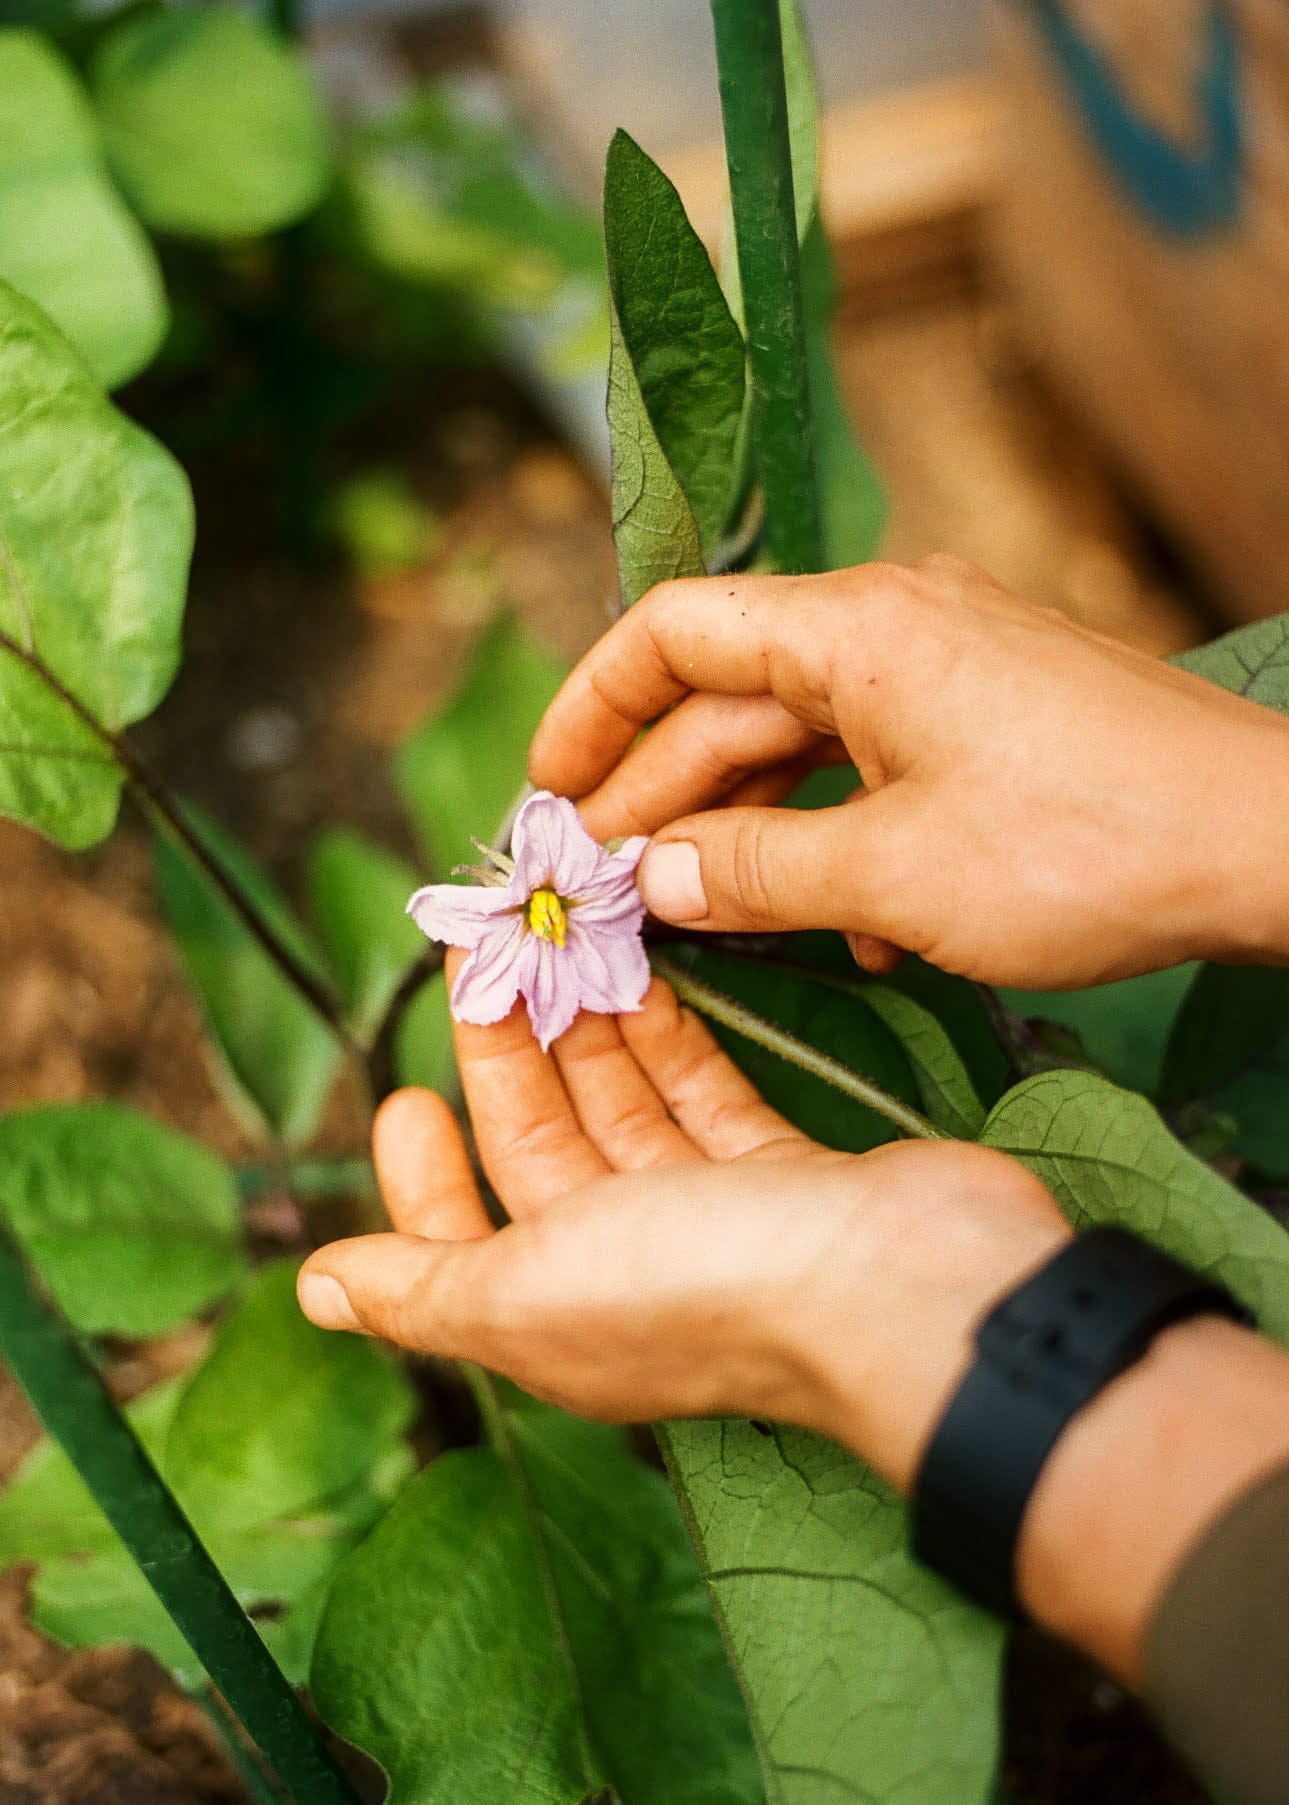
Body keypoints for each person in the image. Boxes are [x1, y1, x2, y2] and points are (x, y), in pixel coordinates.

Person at [298, 557, 1289, 1804]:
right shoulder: (547, 920)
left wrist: (874, 1310)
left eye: (544, 905)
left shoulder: (553, 910)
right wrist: (1242, 817)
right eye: (534, 906)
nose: (543, 915)